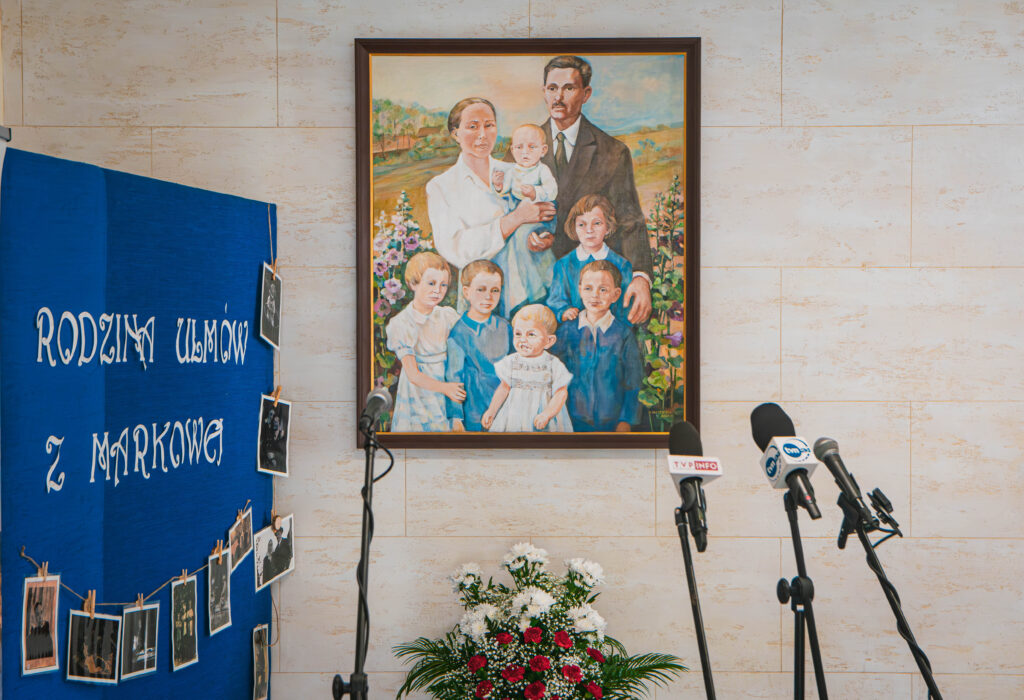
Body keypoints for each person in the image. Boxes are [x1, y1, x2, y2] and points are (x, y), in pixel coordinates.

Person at [524, 55, 653, 324]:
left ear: (586, 94)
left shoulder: (613, 152)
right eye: (552, 88)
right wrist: (529, 235)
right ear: (544, 92)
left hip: (594, 288)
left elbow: (630, 220)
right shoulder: (521, 147)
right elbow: (506, 210)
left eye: (569, 88)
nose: (558, 97)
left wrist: (641, 277)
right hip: (533, 281)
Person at [426, 98, 555, 302]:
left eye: (489, 125)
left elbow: (545, 213)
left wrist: (544, 237)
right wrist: (516, 218)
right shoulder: (441, 186)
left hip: (530, 282)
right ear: (456, 134)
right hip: (482, 294)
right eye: (473, 127)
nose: (482, 135)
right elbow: (457, 249)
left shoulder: (515, 172)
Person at [554, 260, 643, 432]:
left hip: (612, 421)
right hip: (570, 420)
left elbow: (634, 381)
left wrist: (626, 420)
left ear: (616, 295)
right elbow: (553, 374)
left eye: (603, 290)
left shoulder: (623, 334)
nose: (595, 295)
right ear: (580, 290)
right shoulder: (567, 331)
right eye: (588, 288)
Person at [385, 251, 465, 431]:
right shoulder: (402, 323)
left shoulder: (447, 316)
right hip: (418, 392)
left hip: (445, 386)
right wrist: (445, 388)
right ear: (414, 283)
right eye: (431, 283)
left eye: (443, 285)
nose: (437, 290)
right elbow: (413, 375)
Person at [490, 124, 558, 317]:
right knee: (510, 245)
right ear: (512, 150)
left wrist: (536, 192)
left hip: (540, 216)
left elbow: (552, 191)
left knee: (523, 239)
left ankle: (536, 290)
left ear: (543, 150)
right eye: (519, 147)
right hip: (518, 214)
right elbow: (505, 191)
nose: (525, 152)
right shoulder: (512, 171)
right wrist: (499, 185)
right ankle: (519, 294)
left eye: (531, 147)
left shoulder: (542, 170)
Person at [446, 260, 514, 432]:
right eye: (481, 290)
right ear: (467, 292)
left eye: (495, 290)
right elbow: (454, 378)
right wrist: (456, 417)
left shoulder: (505, 327)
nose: (488, 297)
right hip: (475, 410)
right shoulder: (458, 333)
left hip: (506, 408)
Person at [482, 304, 573, 432]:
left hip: (542, 417)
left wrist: (547, 414)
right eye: (518, 334)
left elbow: (561, 393)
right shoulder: (511, 361)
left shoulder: (553, 364)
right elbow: (504, 388)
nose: (523, 340)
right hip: (515, 415)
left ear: (549, 341)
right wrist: (492, 411)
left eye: (531, 335)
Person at [546, 194, 632, 323]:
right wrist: (564, 312)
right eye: (582, 224)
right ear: (574, 227)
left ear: (607, 227)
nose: (589, 230)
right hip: (574, 329)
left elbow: (625, 308)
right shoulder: (564, 264)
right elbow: (555, 300)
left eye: (597, 223)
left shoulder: (622, 265)